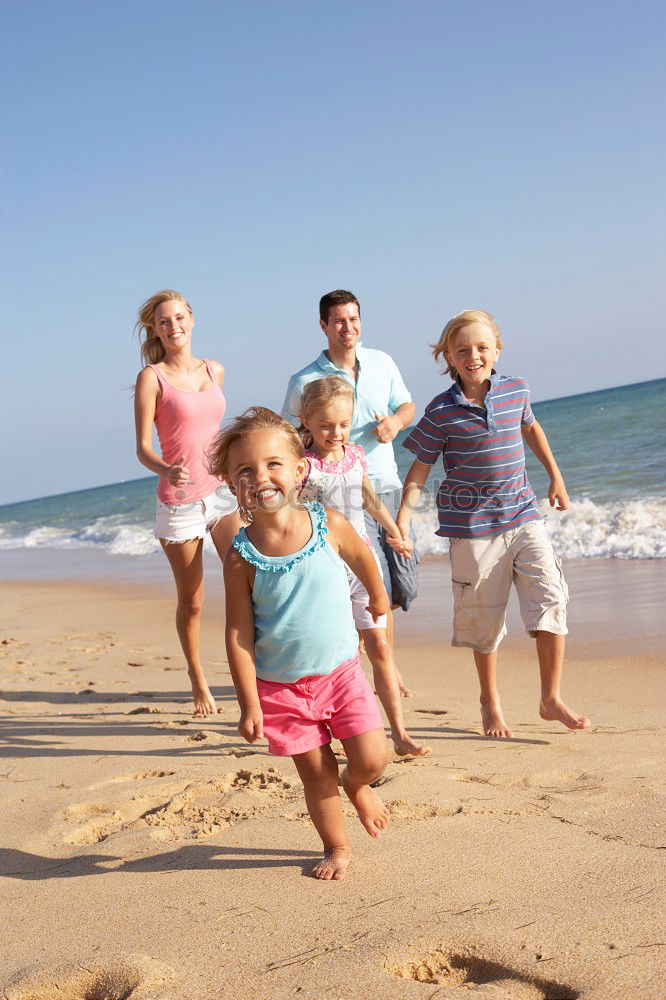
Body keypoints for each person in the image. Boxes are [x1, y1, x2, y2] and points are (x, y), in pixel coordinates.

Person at [209, 407, 390, 881]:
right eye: (245, 470)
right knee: (315, 774)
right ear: (232, 484)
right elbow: (238, 633)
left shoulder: (328, 522)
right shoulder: (239, 557)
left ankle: (358, 785)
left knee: (372, 758)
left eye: (272, 464)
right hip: (282, 687)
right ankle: (337, 846)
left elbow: (361, 555)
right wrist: (249, 703)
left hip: (341, 672)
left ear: (299, 469)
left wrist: (377, 593)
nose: (260, 477)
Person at [396, 309, 590, 738]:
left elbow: (532, 429)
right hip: (472, 530)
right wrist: (404, 516)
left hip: (524, 515)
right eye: (462, 349)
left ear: (496, 350)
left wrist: (556, 476)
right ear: (448, 356)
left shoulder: (516, 390)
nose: (473, 355)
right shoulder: (441, 410)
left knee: (551, 594)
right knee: (484, 620)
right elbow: (421, 467)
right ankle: (489, 699)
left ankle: (550, 697)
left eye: (482, 347)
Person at [297, 376, 428, 758]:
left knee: (381, 649)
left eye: (342, 424)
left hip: (365, 565)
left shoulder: (355, 455)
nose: (335, 433)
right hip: (327, 573)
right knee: (342, 656)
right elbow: (292, 514)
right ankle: (342, 730)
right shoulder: (304, 468)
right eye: (325, 425)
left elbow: (369, 498)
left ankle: (400, 735)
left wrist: (394, 532)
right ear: (306, 420)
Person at [134, 289, 240, 716]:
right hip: (178, 501)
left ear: (192, 319)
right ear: (155, 329)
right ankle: (197, 677)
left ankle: (249, 671)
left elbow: (220, 433)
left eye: (179, 317)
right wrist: (164, 469)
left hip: (221, 494)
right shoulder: (151, 377)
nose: (173, 326)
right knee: (193, 600)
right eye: (164, 321)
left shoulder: (215, 369)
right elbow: (142, 447)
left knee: (245, 581)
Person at [281, 289, 419, 614]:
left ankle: (373, 629)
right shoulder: (303, 381)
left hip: (387, 484)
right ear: (324, 326)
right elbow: (286, 438)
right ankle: (374, 642)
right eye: (338, 321)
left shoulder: (382, 362)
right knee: (376, 583)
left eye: (353, 319)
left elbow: (407, 406)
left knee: (407, 584)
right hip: (342, 496)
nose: (347, 327)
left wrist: (396, 423)